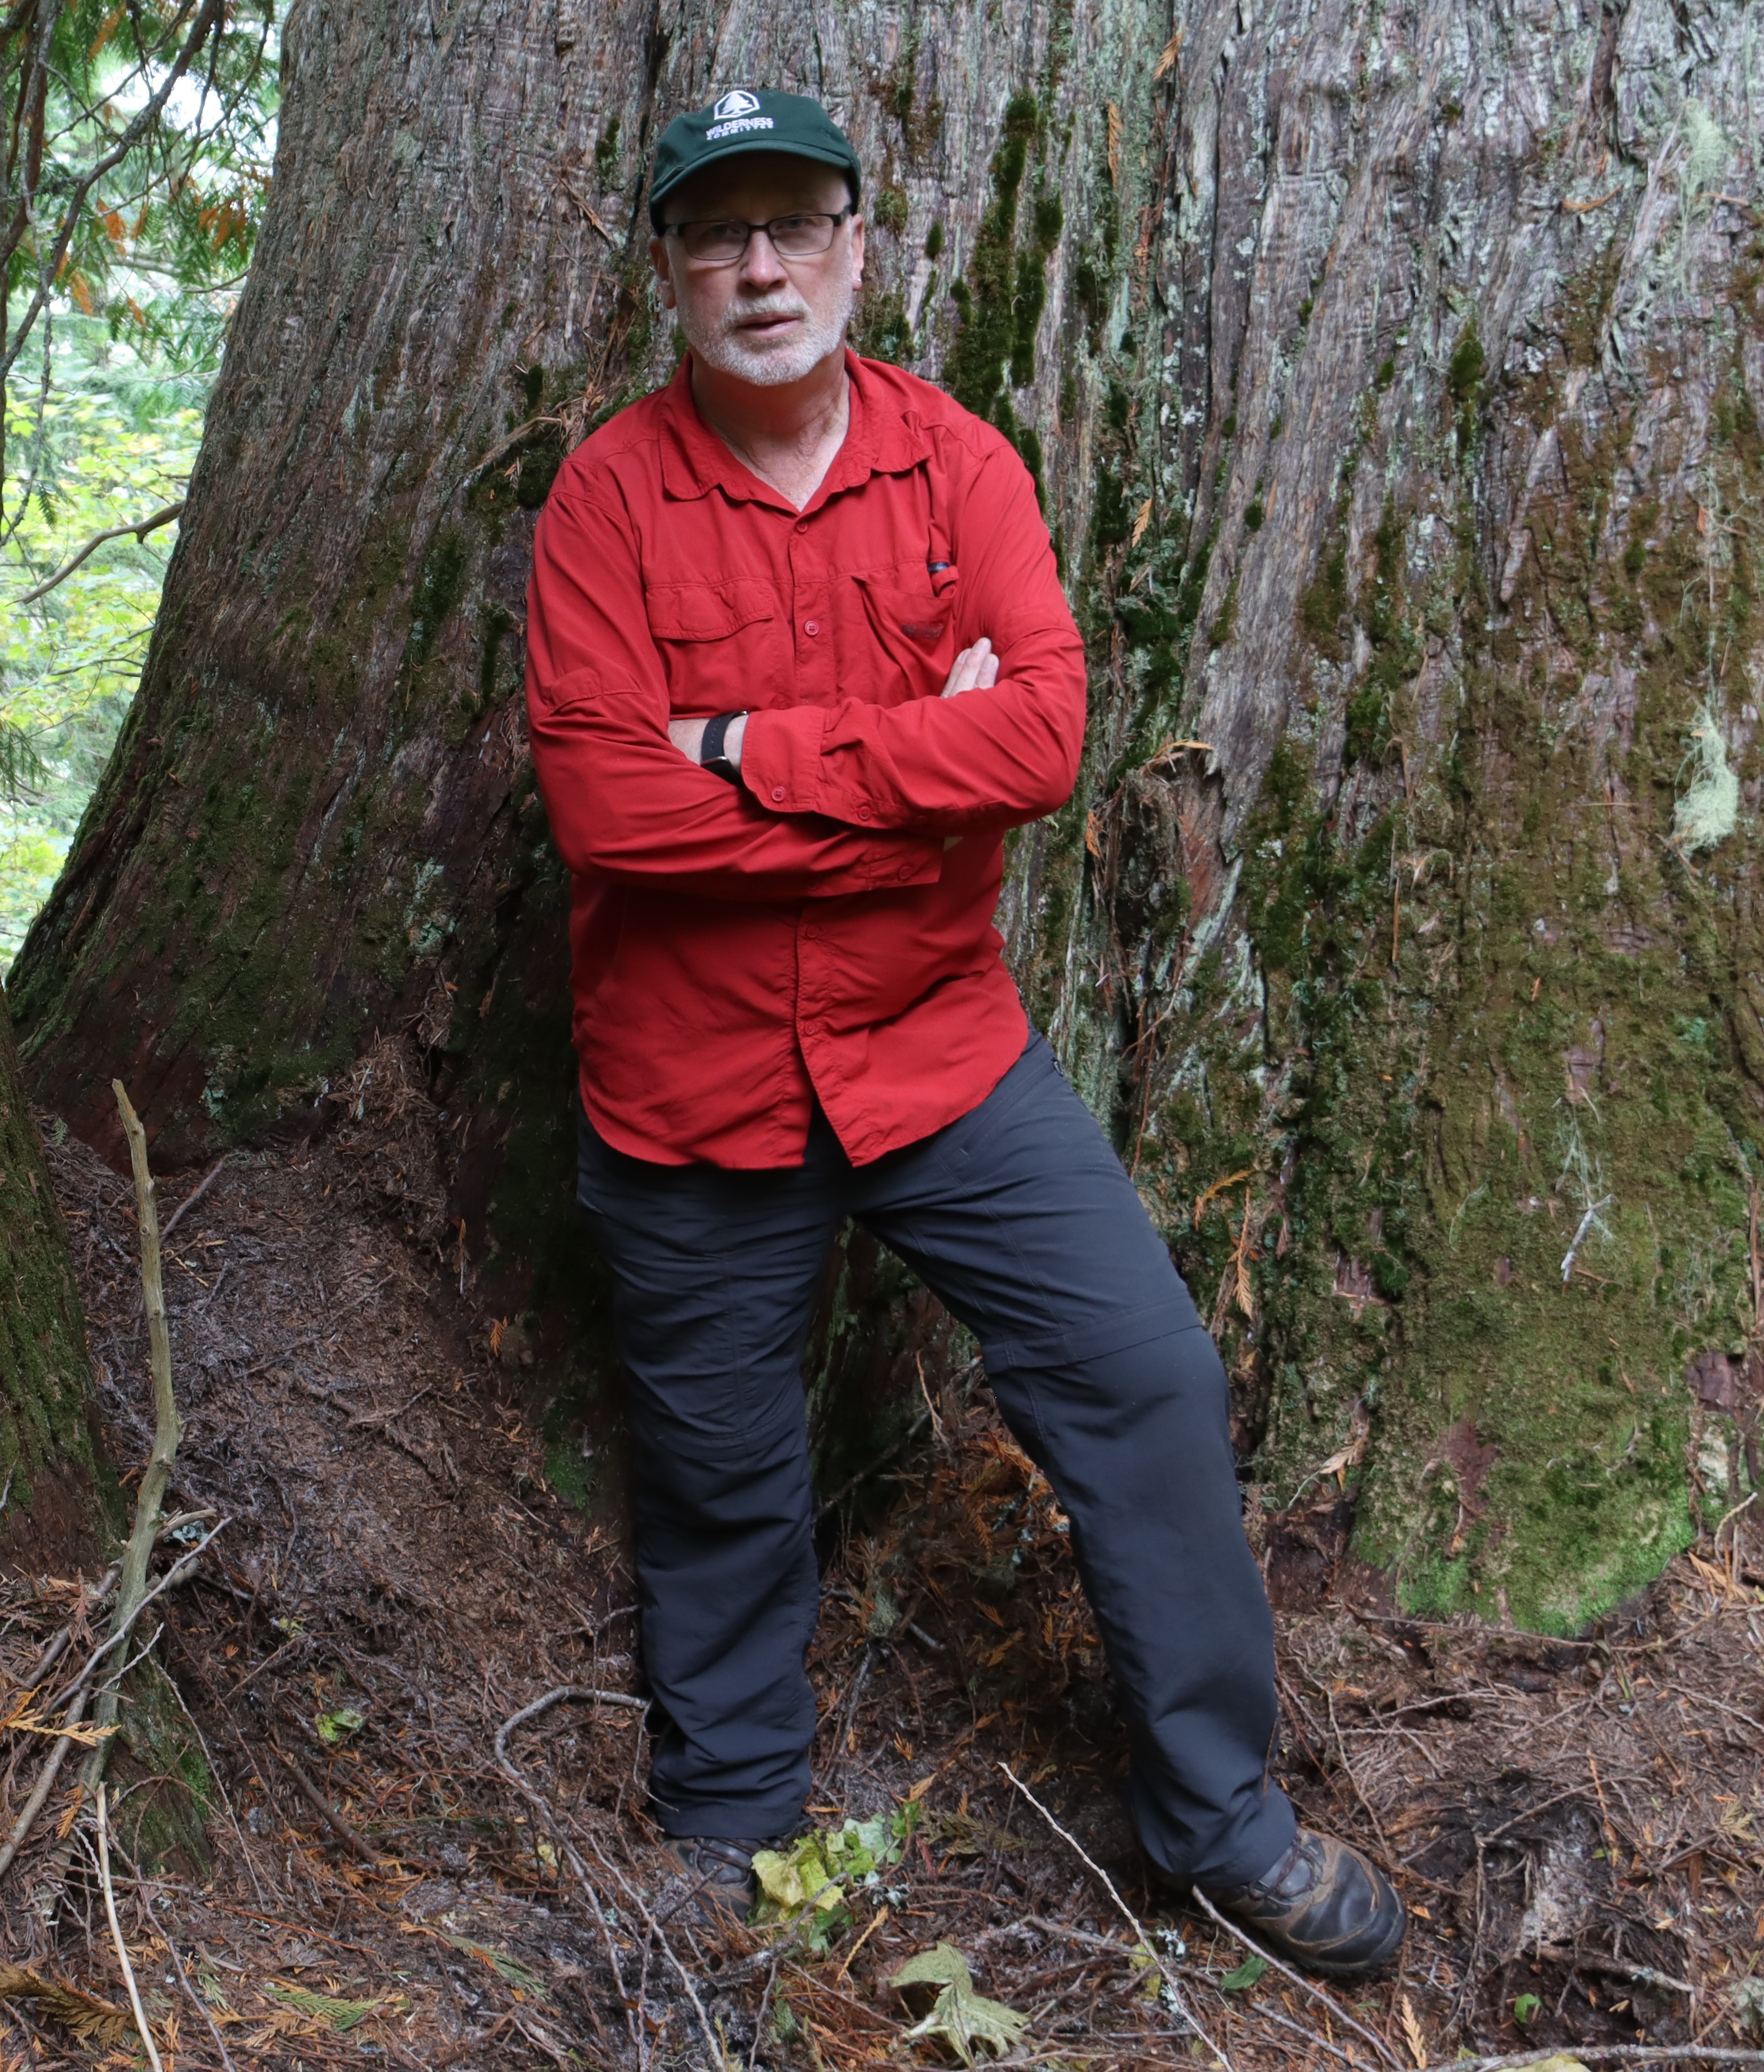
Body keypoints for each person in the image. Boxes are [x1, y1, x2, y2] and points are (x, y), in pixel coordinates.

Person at [519, 88, 1405, 1976]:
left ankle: (1218, 1813)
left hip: (940, 1051)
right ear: (670, 270)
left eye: (794, 224)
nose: (760, 266)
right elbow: (607, 814)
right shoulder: (606, 500)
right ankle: (733, 1840)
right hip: (694, 1085)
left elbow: (1045, 742)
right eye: (716, 232)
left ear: (857, 243)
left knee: (1148, 1377)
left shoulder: (961, 470)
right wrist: (914, 776)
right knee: (722, 1475)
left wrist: (748, 757)